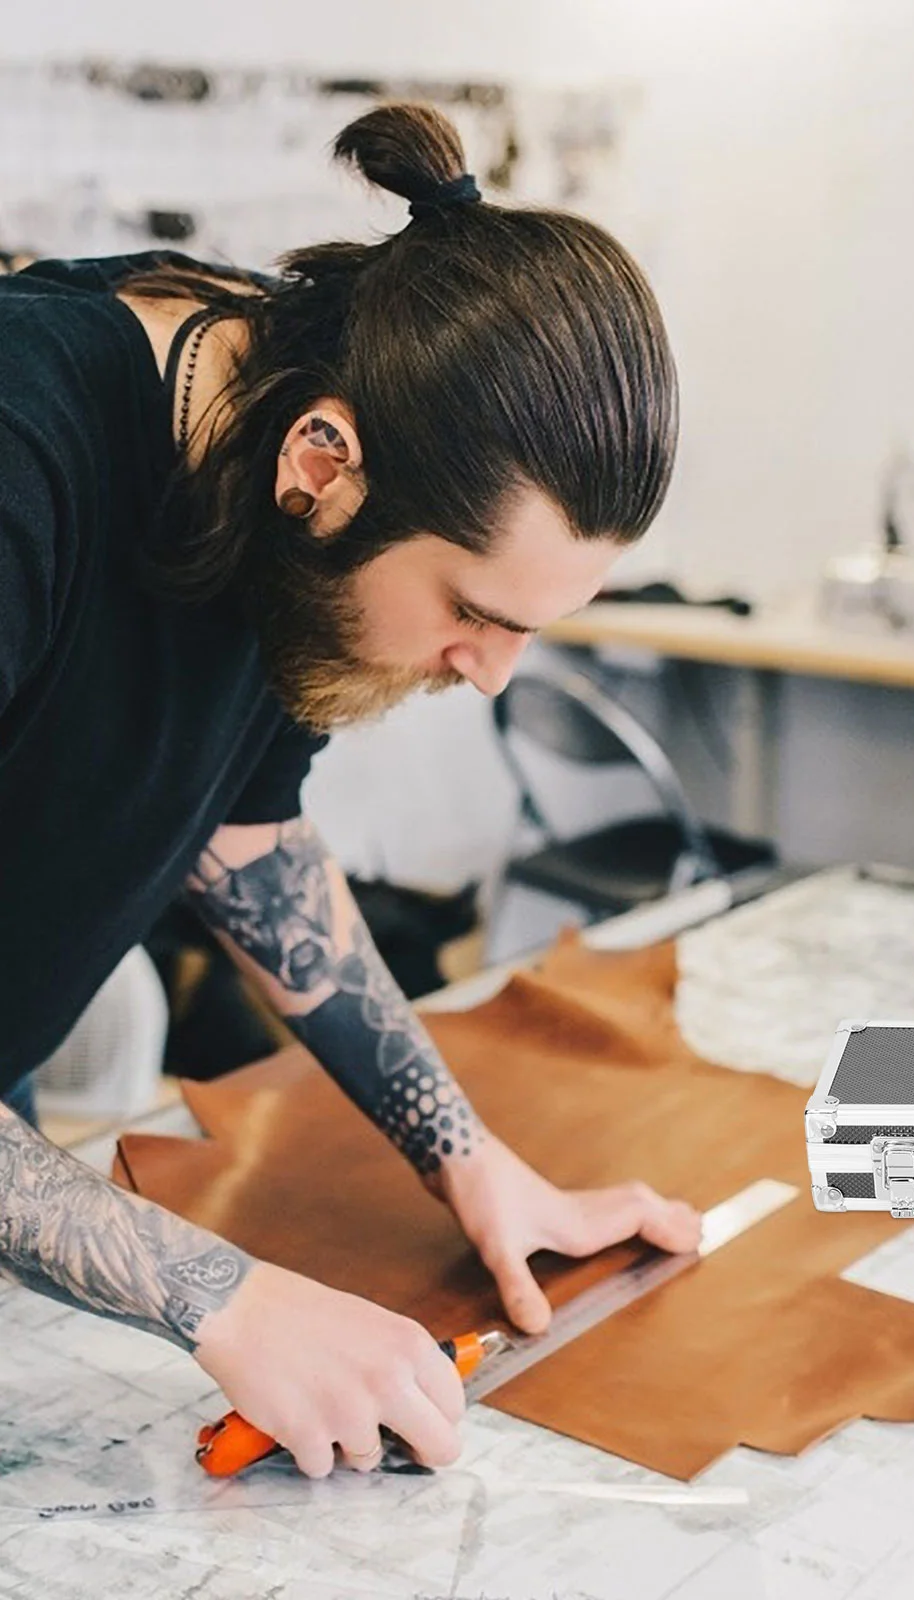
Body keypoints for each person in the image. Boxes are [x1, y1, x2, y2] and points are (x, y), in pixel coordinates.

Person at [0, 101, 701, 1479]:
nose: (490, 672)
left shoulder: (278, 452)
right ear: (326, 463)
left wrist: (469, 1159)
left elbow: (250, 840)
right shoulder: (25, 453)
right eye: (472, 608)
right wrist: (225, 1294)